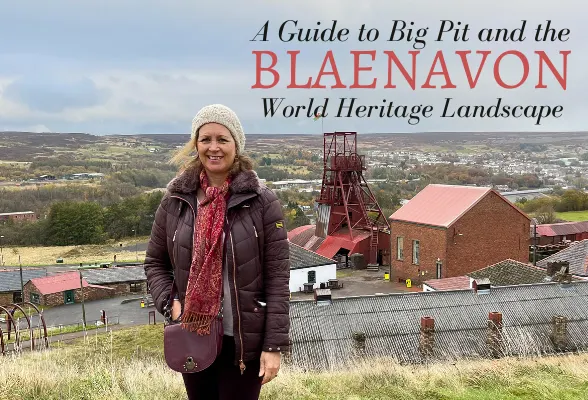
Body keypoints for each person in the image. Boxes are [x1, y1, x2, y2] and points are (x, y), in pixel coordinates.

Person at [144, 104, 291, 400]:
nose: (214, 148)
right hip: (192, 334)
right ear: (195, 144)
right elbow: (155, 263)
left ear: (236, 145)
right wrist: (170, 303)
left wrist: (273, 346)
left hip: (243, 344)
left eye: (222, 139)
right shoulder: (176, 200)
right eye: (205, 139)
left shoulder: (262, 202)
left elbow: (278, 279)